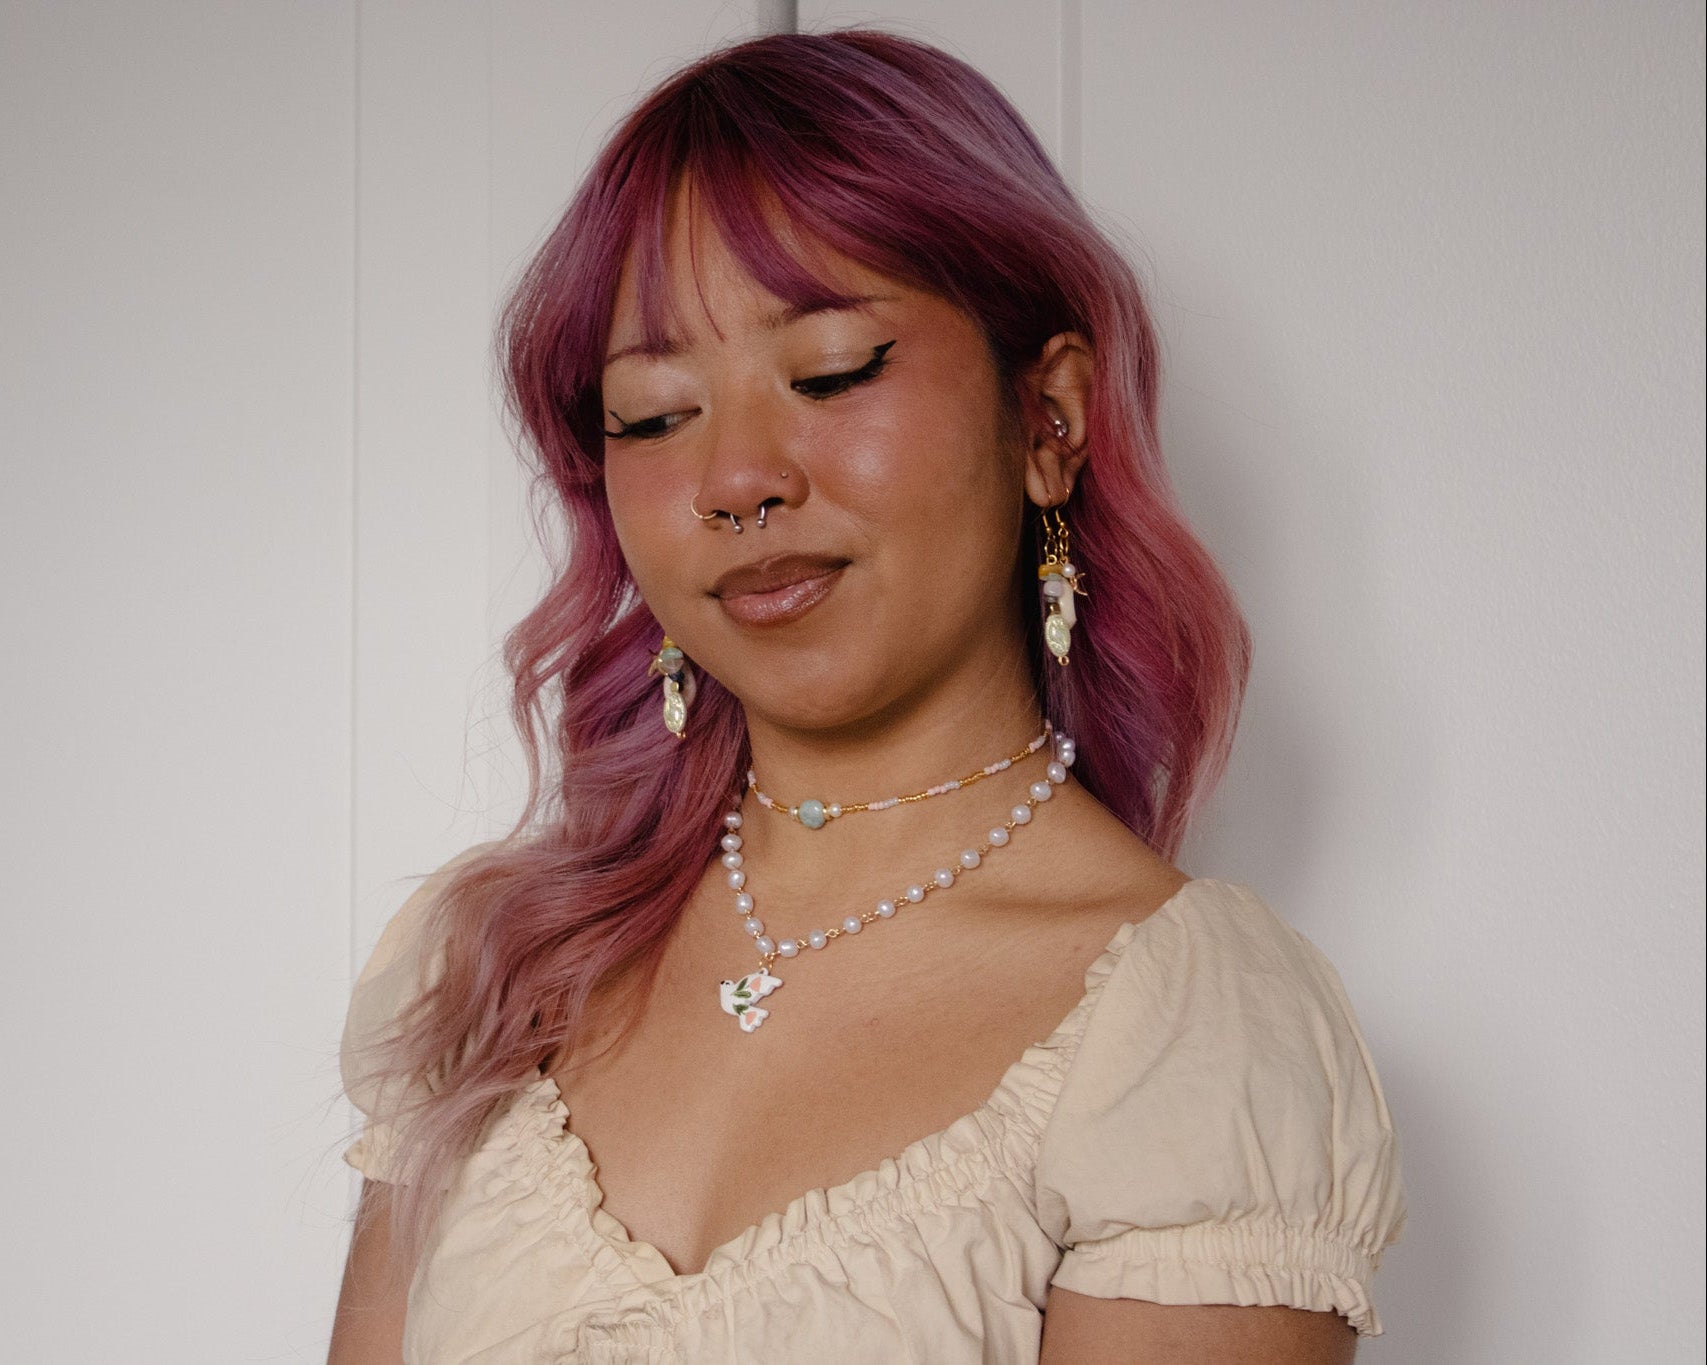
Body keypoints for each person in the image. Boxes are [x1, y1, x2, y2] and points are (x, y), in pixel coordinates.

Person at [328, 28, 1407, 1364]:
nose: (738, 477)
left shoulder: (1189, 1038)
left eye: (832, 371)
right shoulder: (489, 964)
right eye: (656, 413)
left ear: (1051, 418)